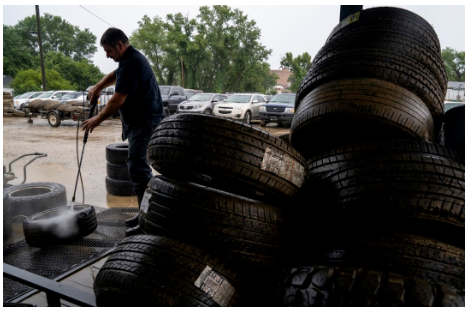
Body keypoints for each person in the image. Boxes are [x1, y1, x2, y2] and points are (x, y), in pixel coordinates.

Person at [83, 27, 164, 236]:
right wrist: (99, 86)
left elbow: (117, 100)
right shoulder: (128, 61)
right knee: (137, 166)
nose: (107, 56)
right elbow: (115, 74)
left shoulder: (132, 62)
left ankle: (149, 218)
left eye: (109, 51)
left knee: (137, 167)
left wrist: (97, 119)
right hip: (141, 121)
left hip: (145, 122)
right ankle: (144, 213)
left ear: (119, 45)